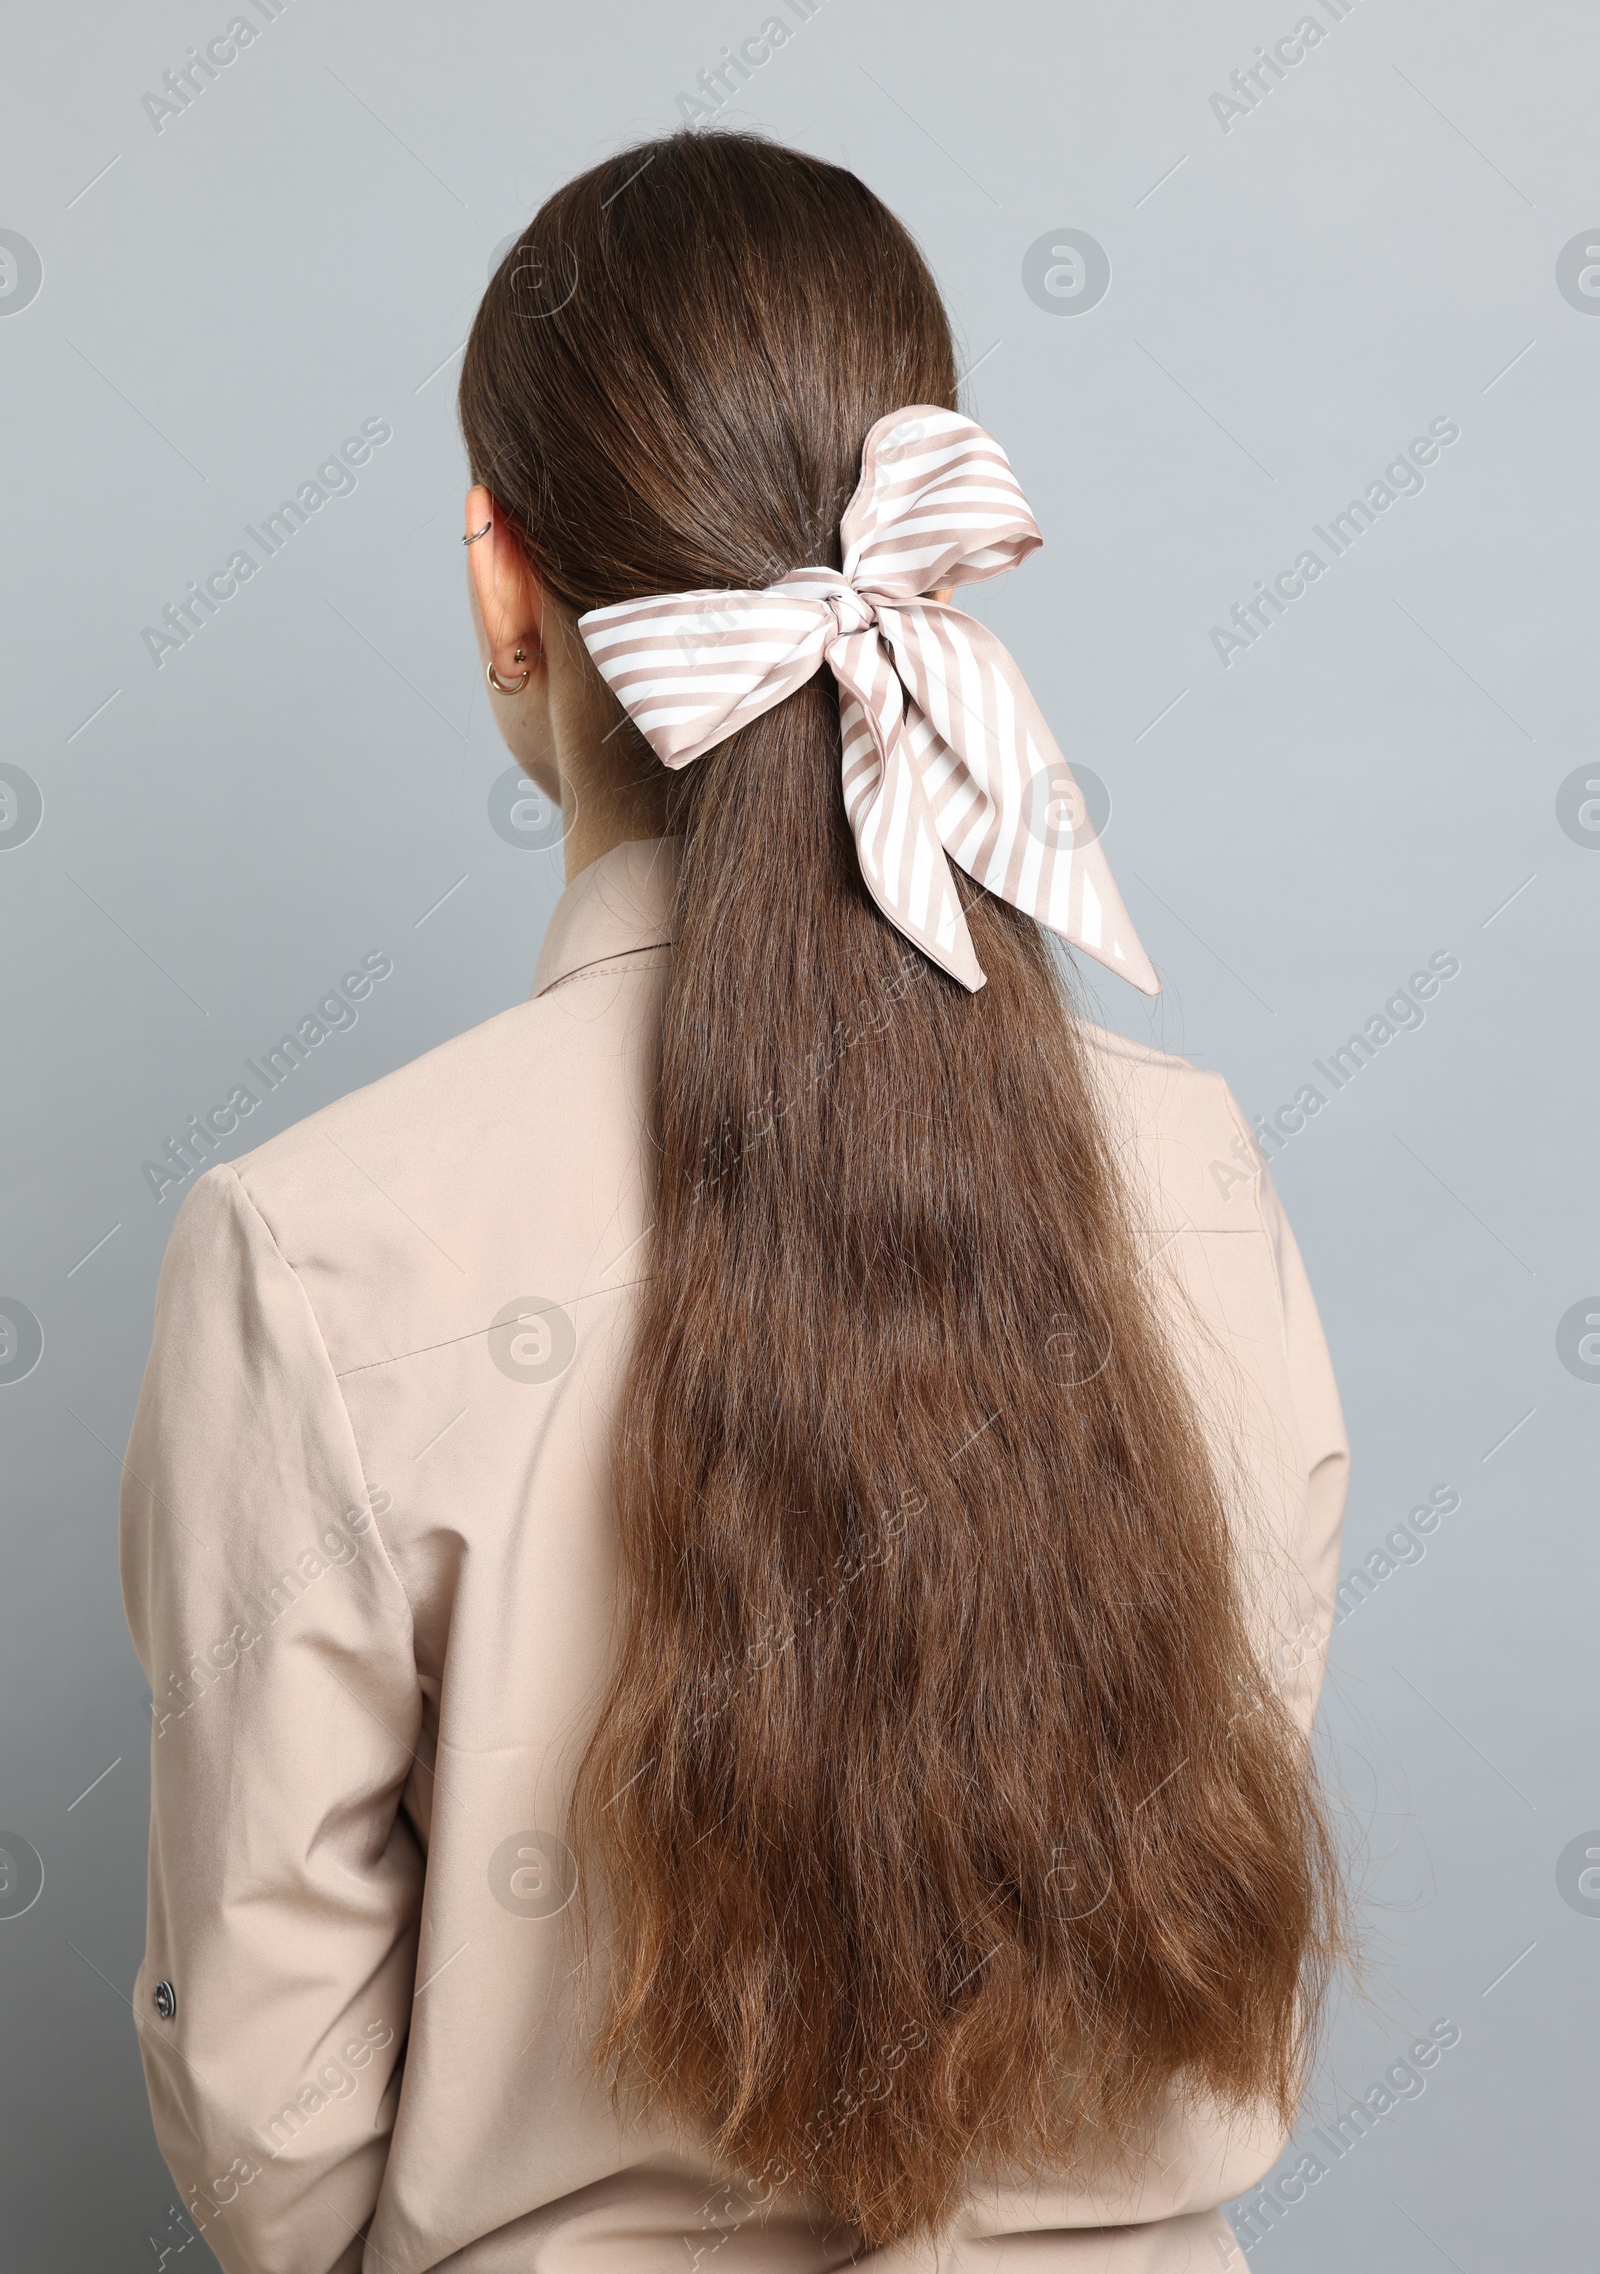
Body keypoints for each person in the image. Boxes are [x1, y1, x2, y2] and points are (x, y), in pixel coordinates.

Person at [121, 131, 1351, 2274]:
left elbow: (267, 2118)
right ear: (929, 558)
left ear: (504, 583)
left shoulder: (311, 1252)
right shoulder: (1197, 1174)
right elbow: (1198, 1884)